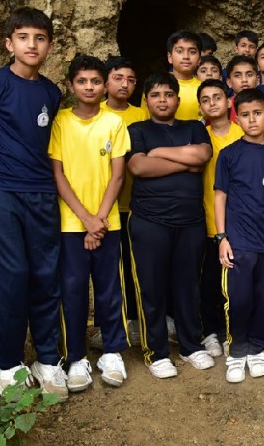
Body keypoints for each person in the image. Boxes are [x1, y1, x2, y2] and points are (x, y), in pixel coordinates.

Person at [0, 7, 68, 399]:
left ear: (49, 46)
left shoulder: (51, 92)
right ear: (10, 43)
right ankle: (7, 364)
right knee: (11, 274)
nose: (32, 45)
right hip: (0, 192)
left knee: (45, 274)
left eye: (40, 38)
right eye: (23, 37)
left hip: (41, 192)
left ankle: (47, 359)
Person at [49, 55, 130, 391]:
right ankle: (77, 356)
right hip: (71, 224)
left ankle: (112, 352)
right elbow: (58, 174)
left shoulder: (114, 122)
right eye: (82, 81)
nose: (89, 87)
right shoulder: (60, 122)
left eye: (96, 81)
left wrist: (99, 220)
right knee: (73, 290)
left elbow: (118, 175)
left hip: (107, 222)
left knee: (110, 289)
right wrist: (86, 219)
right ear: (71, 85)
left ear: (105, 85)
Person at [127, 73, 215, 379]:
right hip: (150, 221)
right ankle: (157, 352)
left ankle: (191, 345)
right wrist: (185, 162)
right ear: (146, 100)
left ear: (178, 99)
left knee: (188, 286)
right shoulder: (137, 130)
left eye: (168, 94)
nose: (162, 100)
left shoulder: (194, 128)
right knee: (152, 287)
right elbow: (139, 166)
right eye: (155, 95)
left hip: (190, 222)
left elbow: (202, 156)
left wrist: (159, 153)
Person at [215, 88, 264, 383]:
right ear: (237, 118)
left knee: (262, 297)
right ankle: (236, 352)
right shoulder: (229, 154)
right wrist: (222, 237)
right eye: (245, 115)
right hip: (239, 241)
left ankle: (257, 349)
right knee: (239, 298)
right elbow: (220, 196)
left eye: (257, 113)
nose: (252, 120)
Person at [93, 56, 146, 348]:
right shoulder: (94, 112)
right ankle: (106, 324)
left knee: (134, 266)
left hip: (136, 204)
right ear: (106, 82)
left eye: (131, 80)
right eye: (118, 78)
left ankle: (135, 321)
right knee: (107, 269)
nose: (124, 84)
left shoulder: (142, 115)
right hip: (102, 206)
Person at [198, 79, 243, 358]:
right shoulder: (199, 136)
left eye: (217, 97)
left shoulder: (243, 133)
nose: (212, 103)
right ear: (200, 107)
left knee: (236, 283)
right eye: (205, 99)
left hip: (239, 223)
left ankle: (232, 332)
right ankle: (210, 332)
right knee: (209, 282)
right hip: (206, 219)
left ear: (229, 102)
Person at [142, 30, 203, 121]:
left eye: (192, 52)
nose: (186, 56)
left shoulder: (204, 89)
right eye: (180, 51)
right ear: (169, 57)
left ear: (199, 59)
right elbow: (145, 120)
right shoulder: (155, 85)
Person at [225, 55, 260, 121]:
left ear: (257, 80)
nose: (244, 80)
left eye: (249, 75)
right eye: (237, 75)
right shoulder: (224, 109)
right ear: (229, 82)